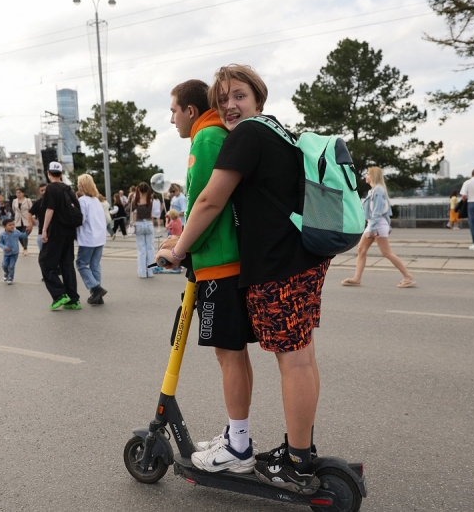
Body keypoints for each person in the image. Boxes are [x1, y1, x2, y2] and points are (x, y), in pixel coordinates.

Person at [157, 65, 330, 494]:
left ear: (257, 97)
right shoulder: (273, 130)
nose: (230, 106)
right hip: (303, 256)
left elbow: (211, 201)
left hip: (280, 264)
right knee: (301, 359)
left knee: (294, 361)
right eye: (224, 99)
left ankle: (294, 464)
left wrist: (177, 251)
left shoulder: (249, 134)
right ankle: (297, 454)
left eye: (239, 95)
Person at [159, 77, 258, 474]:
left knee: (228, 355)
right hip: (226, 260)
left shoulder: (206, 138)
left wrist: (177, 248)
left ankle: (237, 448)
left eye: (173, 111)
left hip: (219, 263)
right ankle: (238, 436)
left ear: (191, 111)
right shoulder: (218, 133)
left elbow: (206, 201)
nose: (171, 120)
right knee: (234, 353)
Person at [341, 167, 415, 288]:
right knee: (361, 250)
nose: (366, 176)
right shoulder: (374, 190)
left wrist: (373, 229)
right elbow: (383, 212)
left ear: (373, 176)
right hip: (374, 224)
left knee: (386, 253)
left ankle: (408, 277)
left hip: (377, 225)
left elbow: (378, 211)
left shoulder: (378, 191)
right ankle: (356, 278)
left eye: (368, 174)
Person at [39, 162, 82, 310]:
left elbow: (50, 210)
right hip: (69, 232)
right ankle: (73, 299)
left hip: (56, 231)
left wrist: (44, 230)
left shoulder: (51, 188)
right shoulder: (68, 189)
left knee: (45, 261)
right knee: (66, 264)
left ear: (48, 173)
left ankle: (59, 294)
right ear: (61, 173)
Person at [75, 174, 108, 305]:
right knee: (95, 265)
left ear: (82, 185)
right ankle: (97, 296)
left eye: (79, 183)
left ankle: (96, 289)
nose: (77, 185)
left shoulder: (82, 201)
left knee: (81, 264)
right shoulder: (96, 201)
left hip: (88, 238)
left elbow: (80, 220)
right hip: (99, 237)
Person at [130, 182, 158, 278]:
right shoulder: (150, 200)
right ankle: (150, 272)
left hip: (139, 223)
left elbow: (128, 209)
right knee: (150, 249)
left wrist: (132, 197)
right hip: (149, 223)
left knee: (141, 250)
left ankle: (142, 273)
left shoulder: (136, 200)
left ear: (138, 190)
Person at [0, 218, 26, 285]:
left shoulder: (16, 232)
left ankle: (10, 277)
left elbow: (24, 236)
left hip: (14, 253)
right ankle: (6, 273)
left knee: (11, 266)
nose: (12, 226)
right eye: (9, 225)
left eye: (13, 224)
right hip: (6, 253)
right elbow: (0, 243)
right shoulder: (2, 234)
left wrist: (28, 231)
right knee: (4, 265)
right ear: (4, 226)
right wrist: (4, 247)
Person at [12, 188, 33, 256]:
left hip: (26, 219)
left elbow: (31, 209)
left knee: (24, 234)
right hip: (18, 219)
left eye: (19, 192)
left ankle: (25, 248)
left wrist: (32, 219)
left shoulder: (27, 200)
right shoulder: (14, 201)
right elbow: (14, 210)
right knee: (19, 235)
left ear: (23, 193)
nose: (18, 194)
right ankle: (23, 247)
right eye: (17, 192)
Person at [29, 183, 47, 251]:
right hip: (41, 231)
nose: (43, 192)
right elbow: (29, 213)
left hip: (54, 232)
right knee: (43, 253)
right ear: (39, 192)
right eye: (41, 190)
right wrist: (30, 223)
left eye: (45, 190)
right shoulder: (38, 203)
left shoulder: (55, 201)